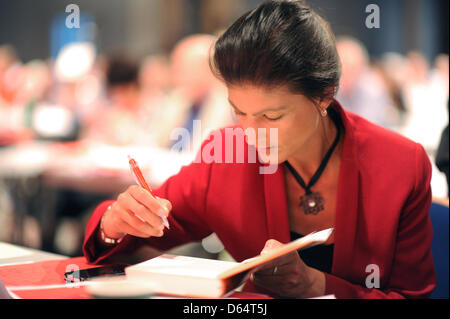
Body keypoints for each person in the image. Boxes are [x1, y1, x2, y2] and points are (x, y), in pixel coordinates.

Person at [83, 0, 435, 299]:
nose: (251, 134)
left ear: (324, 95)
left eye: (271, 115)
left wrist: (317, 285)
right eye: (239, 111)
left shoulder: (399, 165)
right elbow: (150, 226)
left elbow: (411, 294)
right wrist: (117, 223)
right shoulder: (226, 154)